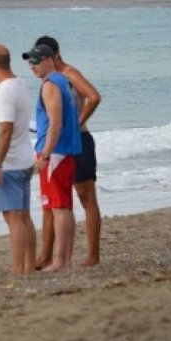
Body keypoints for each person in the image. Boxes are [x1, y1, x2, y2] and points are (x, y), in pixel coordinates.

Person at [35, 35, 103, 268]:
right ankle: (46, 255)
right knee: (53, 202)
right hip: (59, 145)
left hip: (79, 140)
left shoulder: (69, 74)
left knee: (86, 199)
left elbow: (94, 97)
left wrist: (77, 123)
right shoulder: (51, 80)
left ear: (54, 55)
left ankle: (93, 254)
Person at [22, 43, 83, 272]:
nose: (32, 66)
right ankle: (65, 260)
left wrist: (45, 155)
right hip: (66, 150)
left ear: (49, 60)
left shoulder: (50, 85)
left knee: (59, 208)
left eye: (36, 61)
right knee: (64, 207)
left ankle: (60, 261)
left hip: (56, 152)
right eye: (30, 62)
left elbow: (56, 123)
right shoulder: (65, 81)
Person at [0, 44, 37, 275]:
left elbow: (5, 130)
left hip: (11, 163)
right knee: (23, 217)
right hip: (24, 158)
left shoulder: (5, 91)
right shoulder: (19, 83)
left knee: (14, 218)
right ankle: (28, 266)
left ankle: (19, 270)